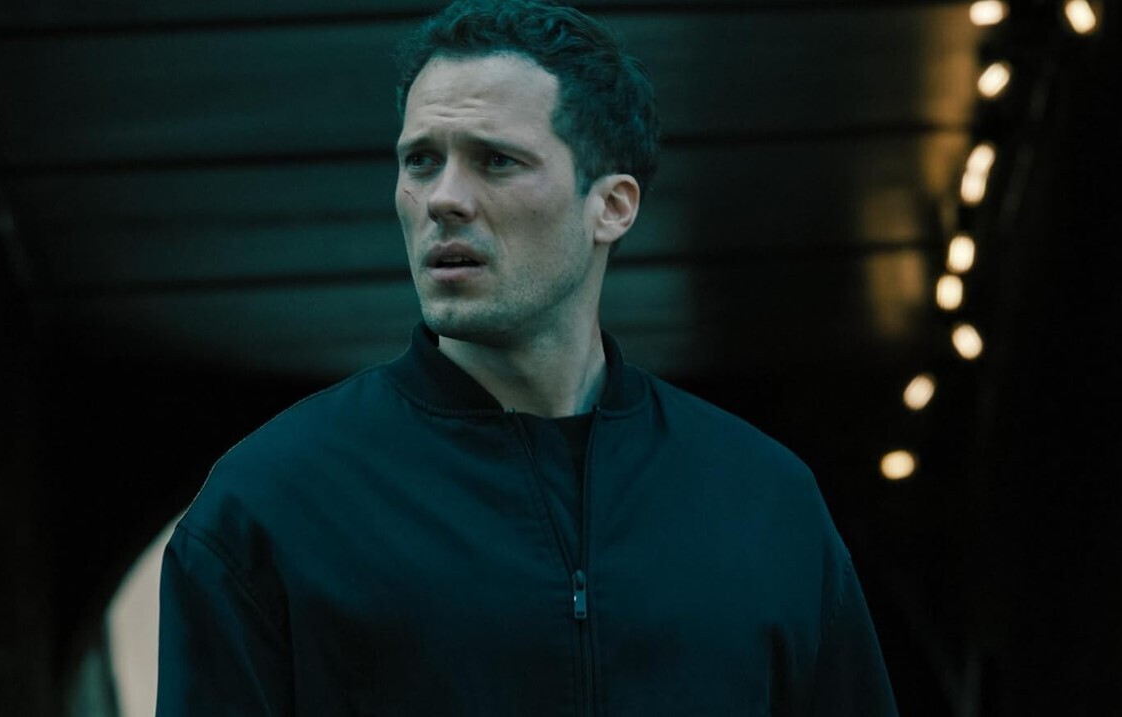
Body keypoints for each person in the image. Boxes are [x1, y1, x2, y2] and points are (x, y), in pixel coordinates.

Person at [155, 1, 900, 714]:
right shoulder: (273, 502)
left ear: (611, 206)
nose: (443, 198)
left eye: (496, 161)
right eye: (421, 161)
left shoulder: (762, 499)